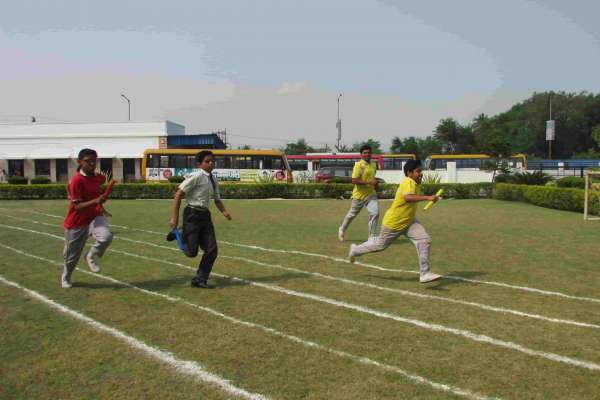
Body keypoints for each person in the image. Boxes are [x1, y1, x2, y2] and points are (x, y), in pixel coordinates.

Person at [348, 159, 443, 284]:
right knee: (380, 246)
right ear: (409, 173)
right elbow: (408, 197)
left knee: (424, 240)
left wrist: (431, 197)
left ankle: (425, 273)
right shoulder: (408, 182)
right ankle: (355, 250)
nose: (421, 174)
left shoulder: (415, 183)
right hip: (394, 223)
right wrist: (428, 197)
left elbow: (412, 197)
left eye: (421, 171)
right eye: (418, 171)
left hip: (409, 221)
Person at [169, 150, 232, 289]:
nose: (211, 163)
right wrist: (175, 217)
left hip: (205, 216)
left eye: (212, 161)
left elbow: (217, 200)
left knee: (212, 250)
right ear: (199, 163)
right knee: (192, 253)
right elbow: (178, 194)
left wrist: (225, 212)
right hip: (192, 214)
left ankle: (200, 279)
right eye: (207, 161)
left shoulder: (213, 180)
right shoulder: (196, 176)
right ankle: (179, 233)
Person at [62, 149, 113, 288]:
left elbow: (100, 185)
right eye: (88, 161)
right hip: (77, 220)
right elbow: (77, 206)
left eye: (94, 160)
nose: (92, 163)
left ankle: (90, 256)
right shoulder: (77, 180)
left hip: (95, 215)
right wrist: (97, 200)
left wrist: (101, 204)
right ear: (79, 162)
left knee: (106, 237)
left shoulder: (98, 177)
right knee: (72, 255)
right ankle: (66, 277)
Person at [338, 145, 379, 242]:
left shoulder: (373, 164)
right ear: (361, 155)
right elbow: (354, 180)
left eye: (369, 152)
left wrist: (376, 185)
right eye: (365, 153)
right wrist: (369, 182)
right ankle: (342, 229)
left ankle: (372, 237)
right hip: (359, 196)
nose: (367, 154)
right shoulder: (358, 165)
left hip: (371, 195)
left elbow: (373, 178)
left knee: (375, 213)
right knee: (352, 215)